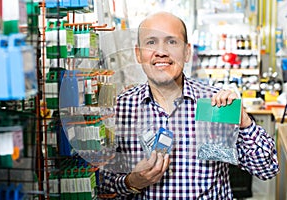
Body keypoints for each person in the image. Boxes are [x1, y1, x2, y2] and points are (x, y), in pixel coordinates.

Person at [97, 11, 279, 199]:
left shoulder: (214, 103)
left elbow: (267, 168)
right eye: (151, 42)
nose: (161, 52)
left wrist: (244, 122)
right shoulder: (119, 109)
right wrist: (131, 182)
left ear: (187, 52)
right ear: (138, 53)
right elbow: (99, 183)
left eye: (172, 42)